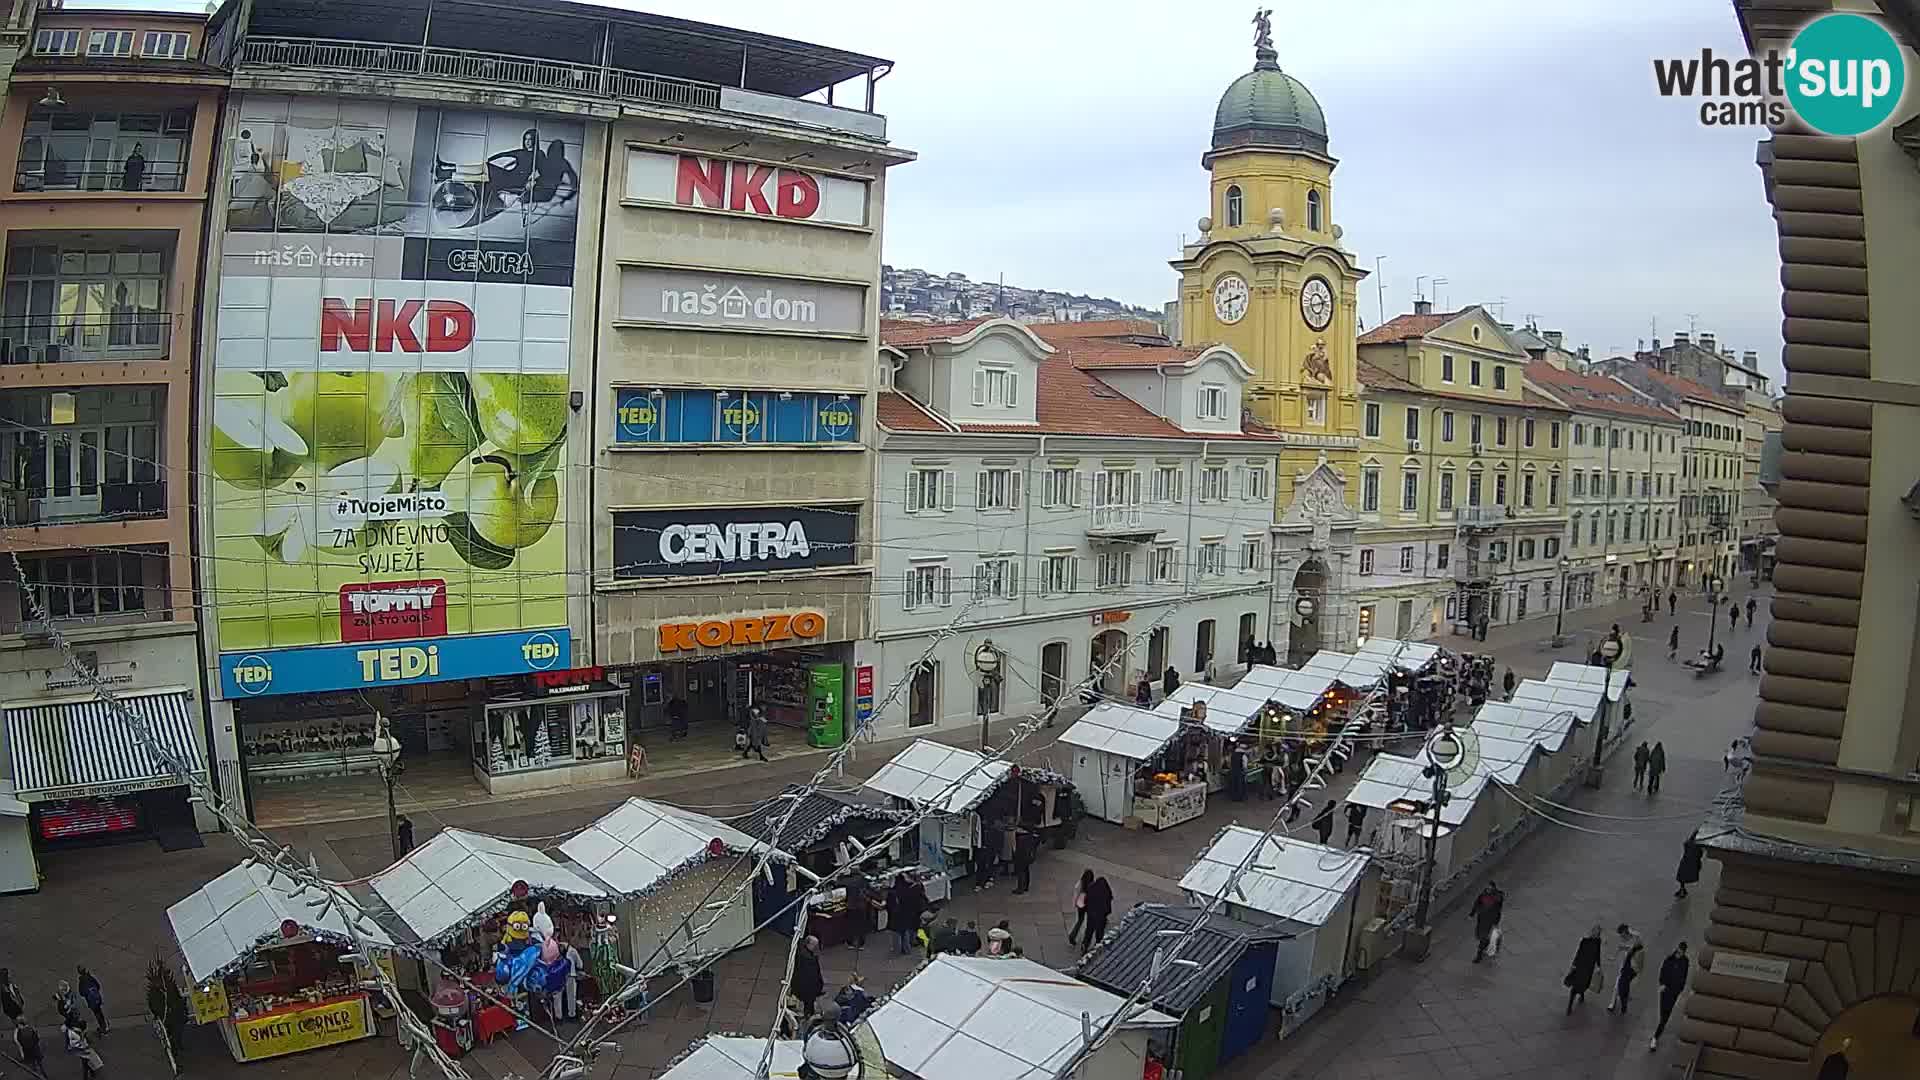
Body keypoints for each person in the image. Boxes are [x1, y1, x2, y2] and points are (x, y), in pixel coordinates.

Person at [1650, 942, 1690, 1050]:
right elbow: (1662, 971)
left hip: (1674, 992)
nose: (1680, 953)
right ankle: (1659, 1029)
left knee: (1665, 1016)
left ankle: (1655, 1038)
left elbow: (1684, 976)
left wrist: (1679, 989)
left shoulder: (1685, 962)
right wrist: (1662, 984)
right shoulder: (1669, 959)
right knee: (1663, 1012)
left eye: (1682, 951)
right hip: (1665, 990)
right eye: (1679, 950)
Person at [1565, 925, 1605, 1014]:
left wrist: (1599, 966)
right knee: (1575, 987)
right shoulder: (1584, 940)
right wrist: (1574, 964)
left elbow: (1597, 954)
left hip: (1589, 968)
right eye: (1594, 931)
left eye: (1597, 933)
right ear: (1592, 931)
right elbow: (1578, 953)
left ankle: (1582, 995)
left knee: (1584, 984)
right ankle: (1569, 1007)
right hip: (1580, 966)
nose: (1595, 934)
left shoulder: (1598, 941)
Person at [1610, 924, 1645, 1013]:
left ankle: (1622, 1001)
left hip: (1633, 968)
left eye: (1622, 935)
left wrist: (1630, 931)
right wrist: (1614, 957)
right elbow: (1623, 948)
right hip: (1626, 965)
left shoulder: (1636, 939)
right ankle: (1613, 1003)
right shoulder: (1628, 940)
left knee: (1622, 985)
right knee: (1619, 984)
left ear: (1626, 932)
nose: (1622, 937)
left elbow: (1638, 938)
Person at [1470, 882, 1505, 963]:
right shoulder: (1483, 895)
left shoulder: (1497, 897)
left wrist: (1496, 921)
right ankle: (1484, 948)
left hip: (1491, 920)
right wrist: (1472, 913)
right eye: (1487, 888)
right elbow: (1476, 904)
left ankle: (1479, 955)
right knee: (1483, 937)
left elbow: (1498, 909)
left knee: (1484, 938)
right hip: (1482, 919)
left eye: (1490, 888)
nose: (1488, 890)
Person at [1082, 875, 1114, 955]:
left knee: (1089, 931)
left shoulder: (1091, 888)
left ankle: (1085, 945)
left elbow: (1086, 900)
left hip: (1091, 915)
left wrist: (1088, 909)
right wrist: (1106, 913)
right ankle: (1097, 947)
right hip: (1100, 917)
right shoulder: (1106, 892)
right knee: (1099, 933)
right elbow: (1108, 903)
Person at [75, 967, 106, 1034]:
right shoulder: (90, 977)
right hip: (97, 998)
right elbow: (98, 986)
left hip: (91, 1001)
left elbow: (81, 993)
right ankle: (104, 1026)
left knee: (97, 1014)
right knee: (100, 1012)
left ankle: (102, 1028)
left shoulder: (82, 981)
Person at [1067, 869, 1094, 946]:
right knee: (1089, 921)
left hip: (1080, 905)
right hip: (1088, 905)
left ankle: (1072, 935)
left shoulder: (1080, 883)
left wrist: (1075, 903)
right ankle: (1085, 939)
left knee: (1080, 920)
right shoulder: (1092, 884)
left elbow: (1076, 894)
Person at [1674, 831, 1704, 898]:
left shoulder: (1688, 843)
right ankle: (1682, 890)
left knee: (1681, 877)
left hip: (1686, 862)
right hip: (1690, 862)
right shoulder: (1698, 845)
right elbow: (1699, 855)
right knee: (1682, 877)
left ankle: (1682, 890)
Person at [1011, 827, 1037, 895]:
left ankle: (1020, 888)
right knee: (1026, 868)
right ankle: (1026, 886)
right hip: (1027, 845)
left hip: (1022, 847)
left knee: (1020, 869)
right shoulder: (1030, 834)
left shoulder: (1020, 836)